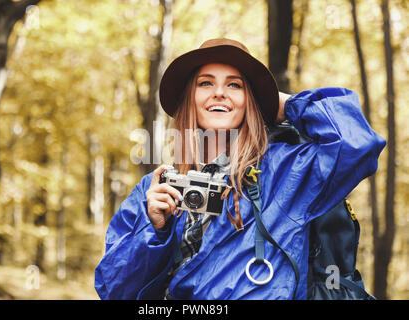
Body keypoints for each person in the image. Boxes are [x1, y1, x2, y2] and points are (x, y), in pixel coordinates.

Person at [94, 38, 386, 300]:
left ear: (250, 101)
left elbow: (357, 144)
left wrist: (280, 103)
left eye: (235, 85)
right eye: (205, 83)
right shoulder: (154, 188)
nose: (220, 93)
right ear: (189, 99)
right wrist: (154, 229)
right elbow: (113, 290)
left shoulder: (285, 172)